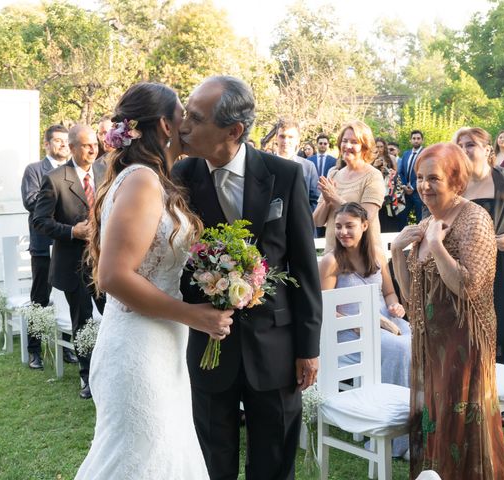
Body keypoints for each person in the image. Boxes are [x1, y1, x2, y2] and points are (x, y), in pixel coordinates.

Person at [75, 82, 233, 479]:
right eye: (185, 115)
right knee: (139, 463)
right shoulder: (143, 181)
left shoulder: (151, 179)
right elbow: (113, 275)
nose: (189, 123)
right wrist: (193, 316)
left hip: (161, 348)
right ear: (165, 124)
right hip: (138, 352)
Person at [172, 75, 322, 480]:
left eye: (196, 118)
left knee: (274, 460)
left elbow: (304, 268)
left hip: (275, 347)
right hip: (207, 346)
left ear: (234, 130)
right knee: (211, 460)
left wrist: (308, 347)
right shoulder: (179, 177)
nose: (183, 125)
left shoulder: (285, 176)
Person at [391, 143, 504, 480]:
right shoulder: (426, 221)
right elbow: (412, 297)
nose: (424, 186)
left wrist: (438, 246)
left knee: (462, 423)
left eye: (434, 179)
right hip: (430, 341)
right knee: (436, 420)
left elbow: (467, 287)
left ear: (456, 180)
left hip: (465, 342)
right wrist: (399, 252)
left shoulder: (475, 219)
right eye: (420, 178)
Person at [318, 202, 411, 456]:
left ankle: (421, 425)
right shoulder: (331, 262)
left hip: (384, 320)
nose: (343, 232)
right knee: (401, 349)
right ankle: (394, 433)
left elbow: (390, 293)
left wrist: (395, 308)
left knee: (419, 341)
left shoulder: (378, 256)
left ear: (365, 226)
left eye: (349, 226)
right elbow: (323, 308)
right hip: (348, 329)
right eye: (338, 226)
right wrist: (369, 321)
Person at [33, 125, 107, 399]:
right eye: (87, 145)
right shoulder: (54, 179)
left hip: (105, 262)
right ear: (73, 147)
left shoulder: (105, 172)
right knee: (84, 321)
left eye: (95, 145)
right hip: (72, 264)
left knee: (112, 316)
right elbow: (39, 221)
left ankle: (109, 370)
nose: (93, 149)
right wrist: (71, 231)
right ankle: (87, 378)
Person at [454, 127, 504, 368]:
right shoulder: (455, 183)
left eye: (470, 145)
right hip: (462, 269)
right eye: (460, 145)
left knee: (502, 331)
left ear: (487, 150)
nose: (465, 150)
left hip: (500, 270)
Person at [21, 124, 78, 369]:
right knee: (40, 297)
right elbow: (31, 201)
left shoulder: (73, 170)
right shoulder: (34, 170)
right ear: (47, 144)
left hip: (68, 244)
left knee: (69, 296)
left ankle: (68, 348)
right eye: (58, 141)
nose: (63, 145)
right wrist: (61, 204)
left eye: (66, 141)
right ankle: (35, 350)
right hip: (43, 244)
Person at [313, 121, 384, 253]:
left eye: (354, 142)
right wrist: (327, 201)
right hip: (332, 257)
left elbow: (366, 217)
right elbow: (317, 221)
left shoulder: (373, 176)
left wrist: (334, 197)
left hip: (361, 258)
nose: (347, 146)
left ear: (365, 147)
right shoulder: (333, 174)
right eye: (344, 141)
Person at [275, 118, 319, 211]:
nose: (286, 141)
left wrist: (304, 220)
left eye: (291, 137)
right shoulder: (264, 164)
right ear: (276, 138)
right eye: (282, 136)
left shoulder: (308, 167)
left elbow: (315, 200)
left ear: (298, 140)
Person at [373, 137, 405, 233]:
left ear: (385, 147)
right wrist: (374, 166)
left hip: (389, 194)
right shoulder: (370, 158)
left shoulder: (391, 158)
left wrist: (387, 171)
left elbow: (396, 175)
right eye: (377, 147)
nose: (379, 149)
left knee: (390, 217)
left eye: (381, 147)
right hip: (375, 191)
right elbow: (366, 174)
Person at [397, 130, 425, 227]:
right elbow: (401, 172)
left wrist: (412, 187)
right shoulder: (406, 154)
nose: (416, 141)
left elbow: (424, 173)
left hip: (418, 192)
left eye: (418, 138)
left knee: (421, 220)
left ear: (422, 140)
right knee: (401, 217)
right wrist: (404, 186)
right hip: (406, 192)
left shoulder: (425, 153)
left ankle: (420, 241)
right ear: (410, 140)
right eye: (414, 138)